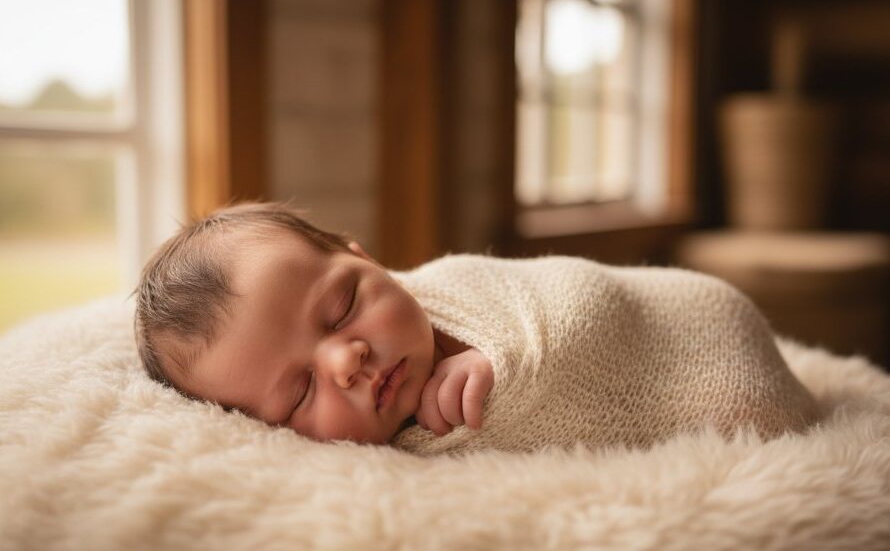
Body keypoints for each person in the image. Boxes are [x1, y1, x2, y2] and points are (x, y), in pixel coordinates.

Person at [135, 202, 818, 455]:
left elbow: (579, 301)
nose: (347, 359)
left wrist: (498, 360)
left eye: (342, 306)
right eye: (298, 393)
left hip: (694, 321)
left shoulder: (457, 290)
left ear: (365, 258)